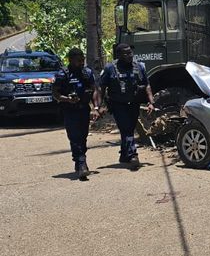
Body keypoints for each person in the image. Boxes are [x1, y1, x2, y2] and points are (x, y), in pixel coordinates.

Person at [99, 43, 154, 170]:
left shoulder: (139, 67)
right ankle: (133, 154)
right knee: (126, 129)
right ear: (118, 55)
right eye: (126, 53)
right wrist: (99, 106)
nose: (130, 55)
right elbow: (102, 87)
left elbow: (146, 85)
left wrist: (151, 102)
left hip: (134, 103)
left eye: (130, 52)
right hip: (117, 104)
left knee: (128, 128)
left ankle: (124, 155)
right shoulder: (109, 68)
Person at [52, 47, 101, 180]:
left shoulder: (87, 72)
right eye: (78, 60)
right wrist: (67, 99)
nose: (81, 62)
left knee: (83, 137)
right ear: (70, 60)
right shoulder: (63, 74)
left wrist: (95, 108)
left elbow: (94, 90)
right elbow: (55, 93)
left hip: (84, 109)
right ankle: (81, 163)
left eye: (83, 59)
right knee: (74, 138)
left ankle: (80, 161)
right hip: (69, 110)